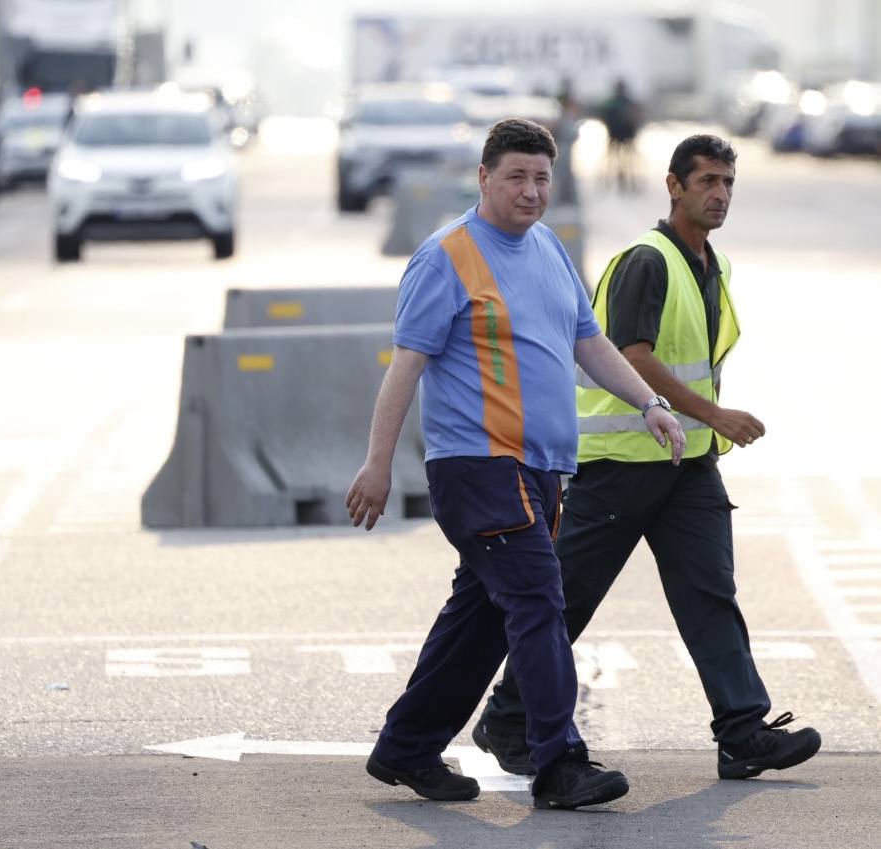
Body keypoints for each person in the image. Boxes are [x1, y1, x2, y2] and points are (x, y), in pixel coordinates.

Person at [346, 118, 686, 810]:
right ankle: (557, 760)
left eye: (541, 178)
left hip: (539, 471)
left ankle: (407, 743)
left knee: (484, 615)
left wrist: (649, 399)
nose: (531, 192)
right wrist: (377, 463)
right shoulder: (447, 256)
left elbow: (589, 344)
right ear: (484, 177)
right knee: (537, 598)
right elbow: (404, 367)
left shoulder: (550, 250)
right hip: (477, 467)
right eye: (516, 177)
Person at [472, 134, 821, 782]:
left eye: (727, 184)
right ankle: (507, 717)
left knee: (710, 594)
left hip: (687, 465)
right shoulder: (647, 260)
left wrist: (705, 427)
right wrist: (713, 413)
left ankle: (742, 729)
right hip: (620, 464)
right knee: (569, 596)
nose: (719, 195)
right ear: (673, 185)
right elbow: (630, 355)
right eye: (707, 182)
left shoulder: (712, 266)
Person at [600, 79, 642, 192]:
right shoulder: (627, 103)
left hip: (617, 136)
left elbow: (604, 117)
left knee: (623, 162)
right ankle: (627, 184)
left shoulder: (612, 103)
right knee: (626, 162)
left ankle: (613, 184)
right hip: (623, 136)